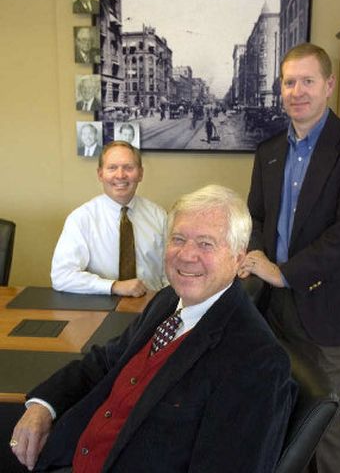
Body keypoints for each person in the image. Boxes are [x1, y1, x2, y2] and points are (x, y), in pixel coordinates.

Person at [10, 184, 297, 472]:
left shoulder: (257, 360)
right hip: (63, 452)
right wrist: (42, 405)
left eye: (205, 244)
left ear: (237, 259)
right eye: (178, 238)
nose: (186, 255)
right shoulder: (168, 300)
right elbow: (105, 361)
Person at [239, 43, 340, 473]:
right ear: (280, 88)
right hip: (274, 309)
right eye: (289, 82)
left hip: (330, 310)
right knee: (283, 412)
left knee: (321, 419)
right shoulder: (267, 150)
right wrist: (256, 256)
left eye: (307, 81)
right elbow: (258, 217)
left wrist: (283, 273)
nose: (297, 91)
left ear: (328, 85)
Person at [52, 141, 168, 296]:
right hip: (100, 308)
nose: (120, 175)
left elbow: (171, 272)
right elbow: (62, 276)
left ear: (140, 173)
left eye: (128, 167)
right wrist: (113, 286)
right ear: (100, 174)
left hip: (152, 306)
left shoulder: (159, 216)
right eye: (112, 168)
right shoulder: (82, 218)